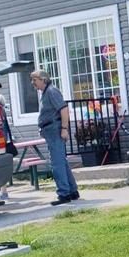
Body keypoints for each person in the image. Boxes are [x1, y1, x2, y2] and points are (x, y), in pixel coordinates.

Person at [33, 70, 79, 205]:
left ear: (43, 79)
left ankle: (64, 194)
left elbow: (64, 109)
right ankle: (72, 191)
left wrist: (64, 129)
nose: (32, 83)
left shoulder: (52, 91)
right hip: (50, 130)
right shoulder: (46, 93)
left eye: (34, 79)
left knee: (57, 163)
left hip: (55, 130)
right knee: (61, 162)